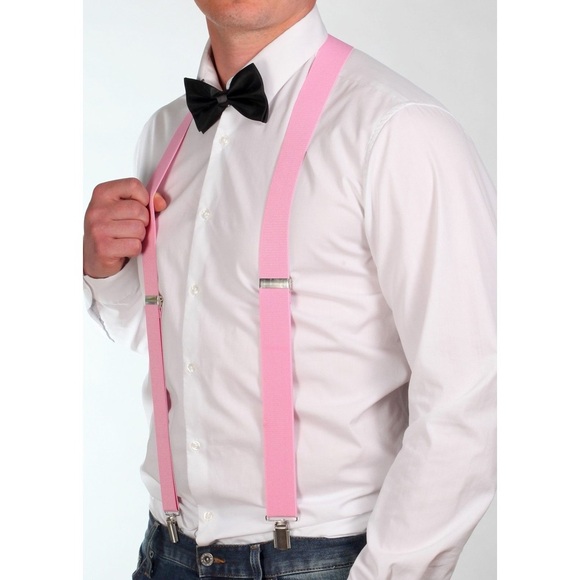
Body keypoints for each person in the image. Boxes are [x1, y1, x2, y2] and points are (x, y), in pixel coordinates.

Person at [83, 1, 496, 578]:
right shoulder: (166, 133)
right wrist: (105, 271)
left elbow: (473, 388)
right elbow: (173, 343)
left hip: (326, 559)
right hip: (165, 552)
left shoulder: (396, 128)